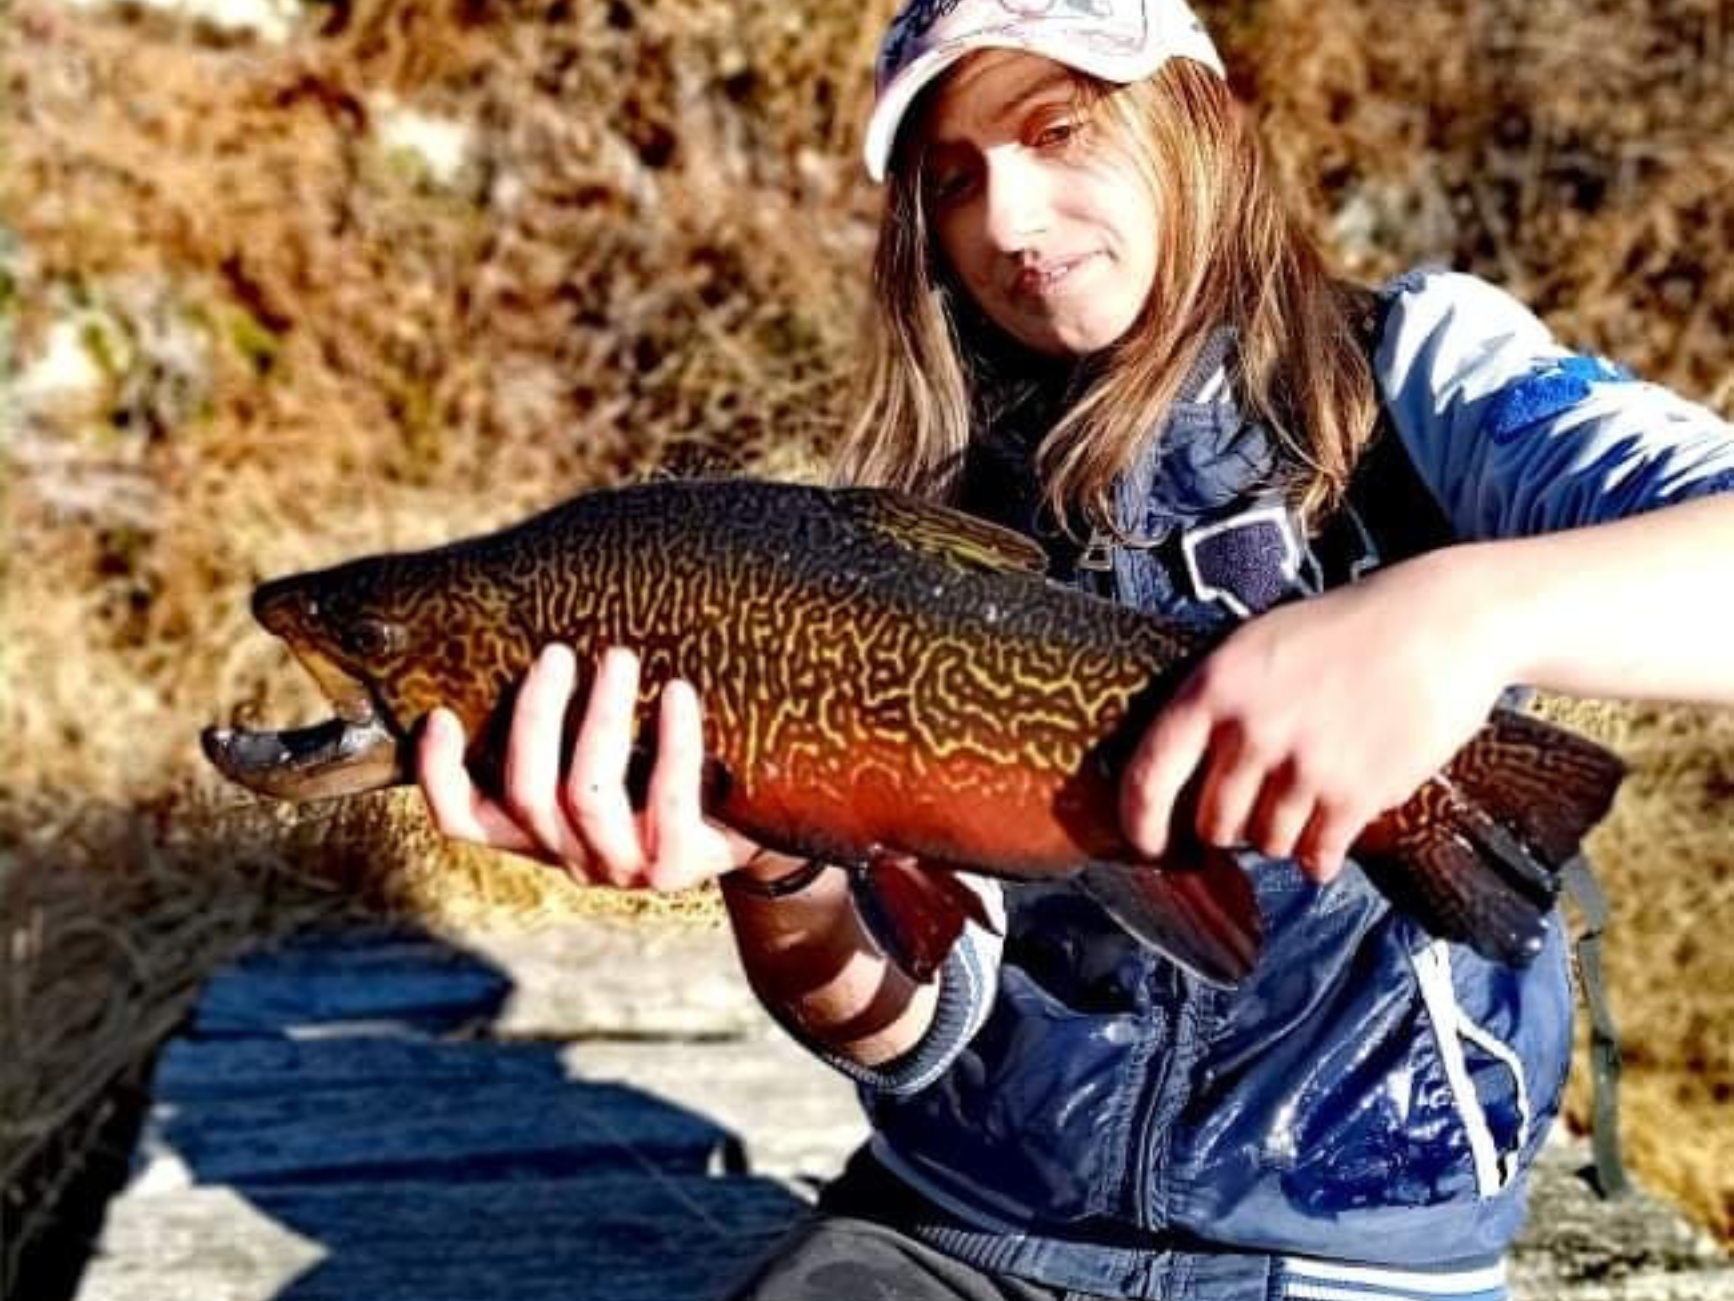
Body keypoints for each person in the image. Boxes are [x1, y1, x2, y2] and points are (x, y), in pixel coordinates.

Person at [417, 1, 1734, 1297]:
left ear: (1201, 119)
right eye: (951, 180)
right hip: (949, 1226)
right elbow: (911, 1036)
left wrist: (1461, 611)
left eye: (1059, 132)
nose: (1005, 217)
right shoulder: (904, 523)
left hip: (1348, 1254)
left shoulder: (1420, 381)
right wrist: (776, 866)